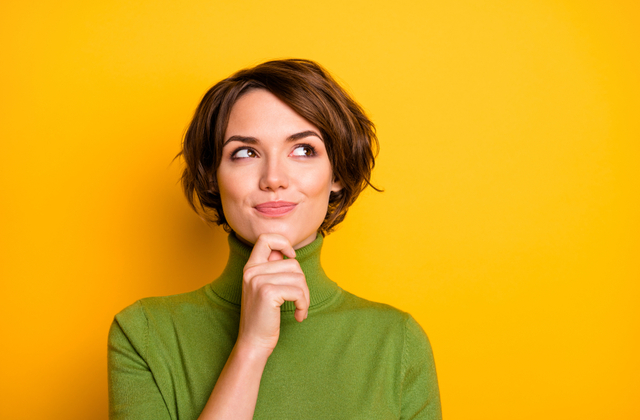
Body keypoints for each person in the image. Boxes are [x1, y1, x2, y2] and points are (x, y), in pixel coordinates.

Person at [108, 59, 442, 420]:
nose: (273, 178)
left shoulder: (397, 342)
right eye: (245, 152)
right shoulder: (144, 334)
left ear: (337, 173)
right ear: (212, 178)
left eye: (303, 150)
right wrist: (250, 348)